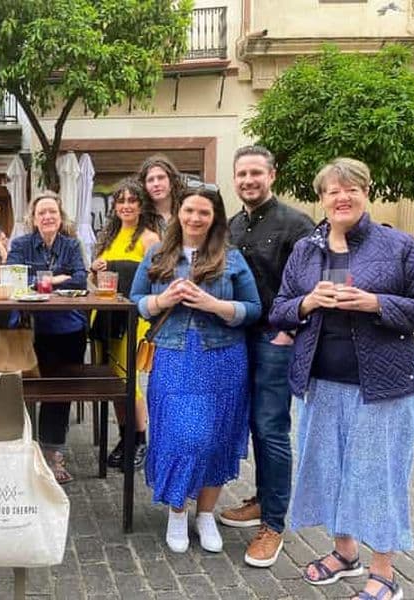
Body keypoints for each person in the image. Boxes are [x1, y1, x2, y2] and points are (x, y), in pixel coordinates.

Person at [270, 158, 414, 600]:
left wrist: (377, 304)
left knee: (377, 477)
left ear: (366, 192)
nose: (342, 197)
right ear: (322, 198)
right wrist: (307, 302)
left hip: (383, 388)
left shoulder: (398, 245)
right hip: (320, 384)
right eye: (333, 190)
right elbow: (280, 309)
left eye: (351, 189)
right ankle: (344, 553)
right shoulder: (306, 250)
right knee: (330, 471)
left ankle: (384, 572)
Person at [129, 184, 261, 554]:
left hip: (223, 358)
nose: (195, 218)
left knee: (216, 437)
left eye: (204, 212)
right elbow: (136, 300)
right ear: (178, 213)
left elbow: (253, 309)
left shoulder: (231, 257)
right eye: (189, 210)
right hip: (173, 356)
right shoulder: (158, 253)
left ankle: (205, 515)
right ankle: (177, 511)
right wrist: (161, 299)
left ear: (215, 217)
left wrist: (214, 304)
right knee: (183, 437)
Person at [221, 145, 315, 567]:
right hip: (238, 337)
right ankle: (261, 500)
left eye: (256, 173)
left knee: (271, 428)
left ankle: (273, 524)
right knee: (254, 425)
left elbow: (311, 286)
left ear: (272, 175)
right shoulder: (233, 225)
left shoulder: (296, 224)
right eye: (242, 174)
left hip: (274, 339)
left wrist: (289, 332)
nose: (248, 180)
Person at [7, 191, 88, 484]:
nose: (48, 217)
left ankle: (52, 451)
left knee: (60, 389)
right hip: (30, 327)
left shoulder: (71, 244)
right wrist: (54, 279)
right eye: (42, 212)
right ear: (33, 218)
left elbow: (81, 278)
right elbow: (12, 278)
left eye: (52, 211)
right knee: (24, 388)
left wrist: (42, 282)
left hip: (68, 326)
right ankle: (22, 448)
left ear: (60, 216)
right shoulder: (21, 245)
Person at [90, 178, 159, 470]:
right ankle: (125, 436)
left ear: (141, 206)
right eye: (121, 201)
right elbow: (96, 280)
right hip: (105, 315)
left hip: (133, 318)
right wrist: (95, 269)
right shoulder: (108, 237)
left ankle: (140, 439)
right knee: (113, 381)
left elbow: (156, 277)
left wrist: (117, 268)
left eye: (132, 200)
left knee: (129, 380)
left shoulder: (150, 239)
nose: (126, 206)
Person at [137, 154, 184, 235]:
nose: (156, 184)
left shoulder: (185, 211)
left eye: (161, 178)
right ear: (144, 186)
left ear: (172, 181)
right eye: (150, 180)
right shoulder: (139, 217)